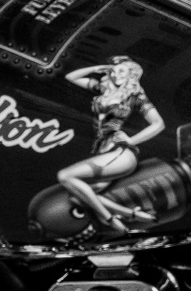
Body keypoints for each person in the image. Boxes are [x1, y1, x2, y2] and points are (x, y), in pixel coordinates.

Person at [57, 56, 165, 229]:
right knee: (78, 196)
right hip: (104, 152)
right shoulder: (103, 89)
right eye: (113, 71)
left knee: (65, 176)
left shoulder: (135, 97)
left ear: (131, 75)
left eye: (121, 71)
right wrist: (97, 68)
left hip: (120, 152)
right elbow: (71, 77)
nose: (115, 74)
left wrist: (132, 140)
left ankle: (110, 219)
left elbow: (158, 124)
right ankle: (134, 214)